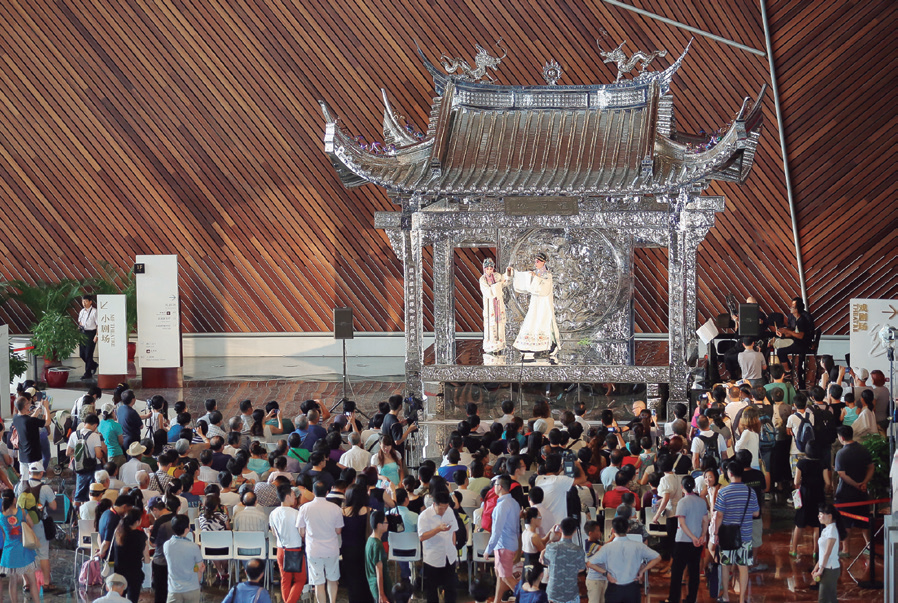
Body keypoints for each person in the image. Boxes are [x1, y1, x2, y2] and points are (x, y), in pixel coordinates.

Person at [713, 462, 760, 603]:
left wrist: (716, 533)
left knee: (725, 566)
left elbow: (719, 516)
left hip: (727, 535)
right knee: (743, 567)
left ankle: (726, 596)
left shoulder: (723, 492)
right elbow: (756, 513)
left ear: (729, 474)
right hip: (745, 535)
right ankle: (741, 599)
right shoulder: (751, 492)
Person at [588, 516, 660, 603]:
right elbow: (657, 557)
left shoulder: (607, 547)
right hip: (632, 588)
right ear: (628, 529)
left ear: (613, 530)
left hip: (614, 588)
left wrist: (606, 573)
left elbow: (589, 563)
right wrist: (642, 570)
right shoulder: (638, 546)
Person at [297, 480, 344, 603]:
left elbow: (301, 531)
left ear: (313, 492)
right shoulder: (336, 508)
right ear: (327, 492)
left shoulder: (304, 508)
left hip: (314, 550)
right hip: (331, 549)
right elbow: (338, 531)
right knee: (332, 579)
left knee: (318, 582)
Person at [14, 462, 58, 591]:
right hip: (38, 524)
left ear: (29, 473)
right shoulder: (45, 488)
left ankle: (26, 583)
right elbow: (54, 506)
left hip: (23, 524)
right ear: (42, 473)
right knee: (43, 554)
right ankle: (46, 583)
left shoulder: (20, 486)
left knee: (24, 553)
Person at [508, 252, 560, 355]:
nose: (536, 263)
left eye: (538, 261)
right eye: (535, 261)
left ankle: (549, 345)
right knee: (532, 320)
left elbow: (545, 288)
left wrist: (536, 277)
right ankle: (528, 344)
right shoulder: (535, 273)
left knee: (543, 322)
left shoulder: (547, 275)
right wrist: (514, 273)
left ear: (543, 262)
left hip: (544, 303)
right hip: (535, 301)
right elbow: (525, 281)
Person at [666, 475, 708, 603]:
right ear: (694, 486)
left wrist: (692, 537)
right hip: (697, 542)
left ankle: (674, 599)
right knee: (694, 572)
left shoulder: (682, 502)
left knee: (677, 572)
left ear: (682, 487)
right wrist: (702, 536)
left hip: (683, 541)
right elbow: (705, 521)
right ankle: (691, 599)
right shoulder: (701, 502)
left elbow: (682, 523)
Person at [834, 425, 873, 556]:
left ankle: (846, 550)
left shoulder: (841, 453)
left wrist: (856, 484)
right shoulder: (863, 449)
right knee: (864, 520)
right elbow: (871, 467)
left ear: (841, 437)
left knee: (845, 522)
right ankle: (869, 546)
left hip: (845, 494)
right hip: (862, 492)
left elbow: (842, 474)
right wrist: (864, 482)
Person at [484, 476, 520, 603]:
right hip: (511, 543)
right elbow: (517, 527)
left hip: (503, 545)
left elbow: (496, 531)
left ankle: (527, 598)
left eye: (495, 485)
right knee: (500, 575)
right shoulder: (514, 503)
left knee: (506, 577)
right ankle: (497, 601)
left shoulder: (501, 506)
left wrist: (488, 549)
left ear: (499, 487)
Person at [417, 491, 458, 603]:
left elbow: (454, 531)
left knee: (450, 588)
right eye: (441, 508)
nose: (443, 510)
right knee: (432, 590)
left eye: (446, 507)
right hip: (433, 557)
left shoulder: (449, 511)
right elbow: (421, 537)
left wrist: (453, 547)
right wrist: (438, 529)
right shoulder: (424, 516)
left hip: (449, 555)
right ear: (434, 504)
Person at [790, 441, 827, 558]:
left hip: (805, 495)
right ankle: (816, 551)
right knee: (817, 525)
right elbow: (828, 482)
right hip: (819, 495)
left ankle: (794, 550)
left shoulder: (801, 463)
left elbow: (796, 481)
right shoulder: (823, 463)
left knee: (799, 524)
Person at [269, 484, 306, 603]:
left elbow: (274, 533)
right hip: (295, 550)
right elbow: (302, 532)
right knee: (300, 579)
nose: (295, 498)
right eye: (293, 495)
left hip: (281, 549)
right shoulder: (296, 513)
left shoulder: (273, 513)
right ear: (287, 496)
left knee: (285, 580)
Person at [540, 516, 585, 603]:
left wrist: (543, 551)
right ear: (575, 530)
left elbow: (543, 561)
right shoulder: (578, 550)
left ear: (560, 529)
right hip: (570, 593)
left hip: (553, 592)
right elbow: (581, 568)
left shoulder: (551, 547)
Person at [340, 484, 373, 603]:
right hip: (364, 549)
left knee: (352, 579)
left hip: (347, 550)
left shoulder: (342, 512)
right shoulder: (370, 511)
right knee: (366, 577)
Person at [110, 508, 150, 603]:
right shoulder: (140, 535)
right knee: (133, 599)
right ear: (137, 522)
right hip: (134, 573)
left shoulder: (118, 533)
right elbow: (146, 557)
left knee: (119, 599)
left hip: (119, 572)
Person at [163, 515, 204, 603]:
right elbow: (199, 567)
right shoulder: (193, 547)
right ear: (187, 529)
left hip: (174, 590)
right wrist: (196, 571)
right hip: (192, 588)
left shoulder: (167, 545)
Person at [66, 413, 107, 503]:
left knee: (79, 494)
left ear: (84, 423)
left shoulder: (74, 434)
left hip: (79, 467)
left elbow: (68, 452)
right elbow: (98, 455)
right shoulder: (95, 436)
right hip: (93, 467)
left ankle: (77, 510)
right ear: (95, 425)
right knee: (93, 493)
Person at [775, 297, 815, 388]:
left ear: (797, 309)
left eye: (793, 307)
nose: (790, 308)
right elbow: (793, 331)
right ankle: (789, 370)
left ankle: (788, 371)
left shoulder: (802, 319)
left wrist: (787, 331)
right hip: (796, 341)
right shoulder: (795, 318)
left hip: (802, 344)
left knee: (780, 351)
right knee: (780, 348)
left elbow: (801, 335)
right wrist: (783, 334)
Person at [148, 496, 180, 603]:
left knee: (160, 592)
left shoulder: (159, 522)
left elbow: (153, 543)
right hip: (176, 559)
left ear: (155, 509)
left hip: (161, 560)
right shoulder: (176, 516)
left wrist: (149, 534)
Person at [812, 503, 845, 603]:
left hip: (830, 569)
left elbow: (827, 553)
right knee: (831, 598)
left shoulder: (831, 531)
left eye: (821, 514)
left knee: (823, 599)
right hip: (827, 567)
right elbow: (823, 553)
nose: (818, 516)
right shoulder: (827, 529)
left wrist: (820, 570)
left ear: (829, 516)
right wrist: (816, 567)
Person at [11, 395, 50, 476]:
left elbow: (28, 420)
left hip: (23, 457)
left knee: (24, 480)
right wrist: (46, 407)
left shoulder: (16, 418)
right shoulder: (31, 421)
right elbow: (48, 422)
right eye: (28, 403)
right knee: (35, 481)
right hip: (34, 457)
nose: (30, 404)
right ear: (25, 406)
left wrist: (38, 408)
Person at [480, 257, 509, 353]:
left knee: (499, 323)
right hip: (490, 304)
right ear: (484, 269)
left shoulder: (496, 276)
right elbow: (488, 292)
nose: (489, 270)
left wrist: (508, 273)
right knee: (491, 323)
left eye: (491, 268)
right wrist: (498, 285)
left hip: (498, 303)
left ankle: (499, 345)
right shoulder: (483, 279)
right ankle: (491, 346)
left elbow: (504, 280)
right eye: (487, 268)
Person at [366, 511, 392, 603]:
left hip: (373, 585)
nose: (388, 524)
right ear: (379, 525)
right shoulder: (377, 545)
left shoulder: (370, 540)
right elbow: (379, 572)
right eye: (386, 522)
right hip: (381, 588)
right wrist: (382, 594)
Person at [78, 294, 99, 379]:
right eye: (83, 301)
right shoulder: (82, 311)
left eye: (86, 301)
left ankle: (88, 373)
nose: (84, 303)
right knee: (82, 354)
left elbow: (98, 325)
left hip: (91, 334)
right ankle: (93, 365)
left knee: (88, 354)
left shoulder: (94, 311)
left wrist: (96, 335)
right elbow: (80, 322)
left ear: (90, 302)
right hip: (83, 333)